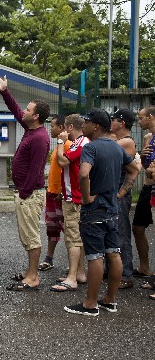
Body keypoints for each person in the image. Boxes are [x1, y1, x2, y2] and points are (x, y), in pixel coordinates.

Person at [64, 109, 139, 316]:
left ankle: (90, 304)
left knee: (95, 256)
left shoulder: (91, 148)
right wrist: (121, 192)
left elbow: (84, 174)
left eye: (86, 122)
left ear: (95, 126)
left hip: (94, 210)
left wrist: (86, 197)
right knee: (113, 253)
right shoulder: (116, 148)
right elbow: (134, 169)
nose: (83, 125)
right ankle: (110, 300)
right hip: (112, 209)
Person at [0, 74, 50, 291]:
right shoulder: (31, 130)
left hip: (30, 194)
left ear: (36, 116)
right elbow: (16, 111)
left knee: (31, 236)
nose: (23, 111)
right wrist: (5, 91)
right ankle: (29, 271)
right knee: (27, 235)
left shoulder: (40, 138)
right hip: (27, 193)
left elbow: (36, 170)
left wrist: (24, 193)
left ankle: (33, 276)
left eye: (28, 109)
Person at [50, 114, 88, 292]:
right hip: (70, 195)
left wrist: (59, 143)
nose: (63, 130)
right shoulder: (77, 143)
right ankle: (79, 272)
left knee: (72, 238)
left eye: (65, 127)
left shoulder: (81, 143)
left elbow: (63, 161)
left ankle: (72, 277)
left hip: (75, 197)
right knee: (76, 236)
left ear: (70, 127)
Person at [110, 109, 137, 289]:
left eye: (113, 120)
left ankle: (126, 273)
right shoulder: (117, 141)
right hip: (112, 190)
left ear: (122, 123)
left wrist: (121, 192)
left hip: (119, 191)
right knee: (111, 231)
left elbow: (107, 150)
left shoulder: (126, 142)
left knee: (121, 232)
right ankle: (112, 269)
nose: (110, 122)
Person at [39, 115, 69, 271]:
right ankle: (49, 258)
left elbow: (68, 170)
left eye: (53, 126)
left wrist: (62, 191)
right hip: (51, 192)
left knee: (69, 229)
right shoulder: (59, 146)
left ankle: (75, 266)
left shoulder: (68, 145)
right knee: (52, 227)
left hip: (60, 194)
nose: (51, 129)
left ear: (62, 128)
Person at [132, 106, 155, 278]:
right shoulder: (150, 138)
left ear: (150, 117)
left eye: (141, 118)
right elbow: (147, 167)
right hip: (148, 187)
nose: (139, 122)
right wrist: (144, 153)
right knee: (138, 227)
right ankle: (144, 267)